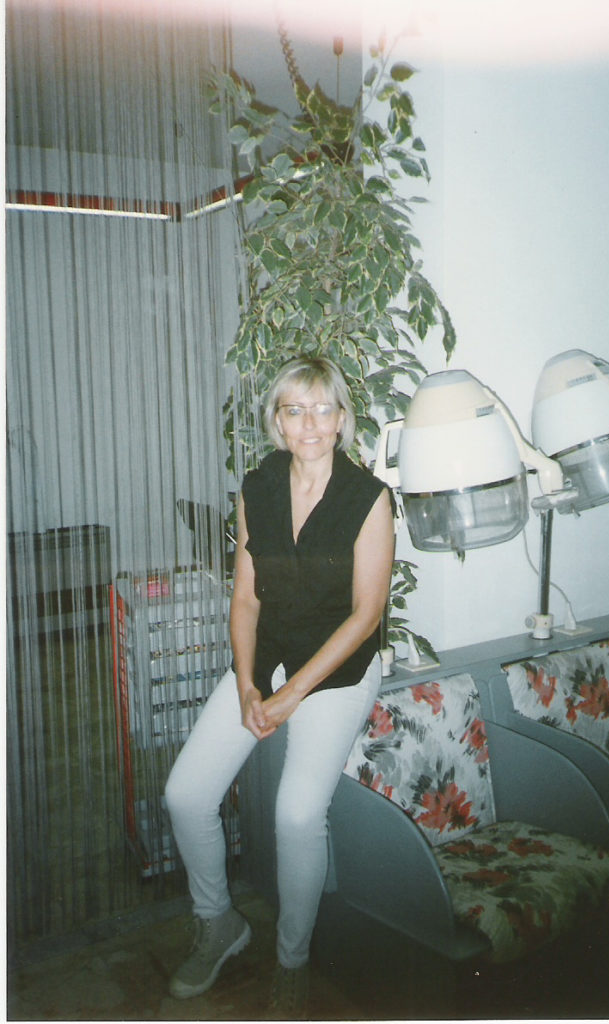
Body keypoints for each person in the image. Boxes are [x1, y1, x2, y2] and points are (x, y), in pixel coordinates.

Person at [164, 355, 395, 1016]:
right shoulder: (258, 487)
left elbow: (366, 615)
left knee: (296, 814)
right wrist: (245, 684)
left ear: (343, 419)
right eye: (295, 410)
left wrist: (292, 695)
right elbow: (245, 598)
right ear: (277, 421)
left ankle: (292, 959)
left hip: (336, 671)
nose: (310, 424)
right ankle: (218, 922)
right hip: (265, 661)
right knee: (185, 795)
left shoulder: (369, 498)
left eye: (323, 409)